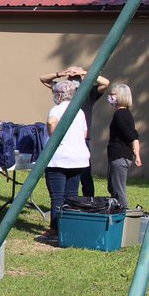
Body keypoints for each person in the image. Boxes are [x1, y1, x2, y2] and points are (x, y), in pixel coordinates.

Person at [41, 65, 109, 197]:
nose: (72, 79)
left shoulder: (88, 92)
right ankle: (67, 201)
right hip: (63, 139)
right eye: (71, 76)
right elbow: (43, 79)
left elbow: (105, 83)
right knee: (62, 172)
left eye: (75, 77)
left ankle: (88, 202)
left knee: (85, 175)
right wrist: (59, 73)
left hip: (81, 138)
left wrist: (84, 73)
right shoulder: (63, 91)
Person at [39, 80, 91, 245]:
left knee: (57, 196)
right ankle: (69, 228)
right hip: (78, 159)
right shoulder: (79, 111)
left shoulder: (57, 109)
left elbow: (50, 122)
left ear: (59, 94)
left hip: (59, 159)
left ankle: (55, 229)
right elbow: (84, 133)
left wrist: (55, 139)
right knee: (71, 196)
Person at [106, 83, 142, 209]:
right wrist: (137, 154)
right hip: (121, 156)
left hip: (119, 156)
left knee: (118, 190)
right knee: (113, 187)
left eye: (113, 94)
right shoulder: (127, 114)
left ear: (120, 96)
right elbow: (134, 135)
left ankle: (122, 214)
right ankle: (117, 212)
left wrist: (137, 153)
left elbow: (130, 135)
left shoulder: (119, 114)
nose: (110, 96)